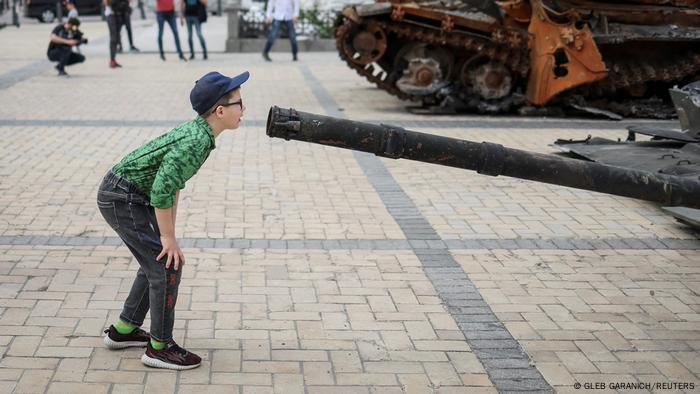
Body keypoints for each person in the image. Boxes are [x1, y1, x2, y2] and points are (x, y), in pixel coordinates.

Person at [99, 70, 249, 370]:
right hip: (121, 197)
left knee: (160, 259)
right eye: (240, 103)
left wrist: (168, 235)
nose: (244, 110)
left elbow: (172, 184)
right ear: (220, 111)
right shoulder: (196, 141)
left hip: (128, 195)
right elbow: (162, 189)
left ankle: (124, 330)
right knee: (167, 266)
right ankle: (160, 348)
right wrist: (167, 239)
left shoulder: (200, 133)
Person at [104, 0, 128, 68]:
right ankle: (112, 60)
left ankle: (113, 59)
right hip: (111, 14)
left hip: (119, 14)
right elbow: (105, 2)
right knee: (113, 37)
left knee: (117, 37)